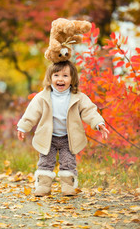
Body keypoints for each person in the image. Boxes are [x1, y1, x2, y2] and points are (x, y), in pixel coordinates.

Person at [17, 60, 109, 197]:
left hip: (68, 138)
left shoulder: (78, 97)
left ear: (72, 79)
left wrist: (98, 124)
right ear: (50, 78)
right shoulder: (42, 97)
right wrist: (23, 127)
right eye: (56, 75)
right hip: (49, 137)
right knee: (45, 162)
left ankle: (68, 186)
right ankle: (43, 186)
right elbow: (32, 112)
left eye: (65, 76)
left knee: (68, 162)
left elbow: (89, 111)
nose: (60, 79)